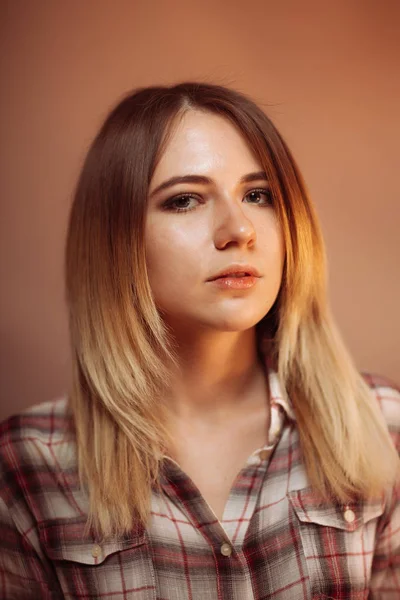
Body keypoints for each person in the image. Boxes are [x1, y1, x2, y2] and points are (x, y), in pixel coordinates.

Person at [0, 82, 399, 600]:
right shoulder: (27, 469)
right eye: (184, 200)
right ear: (116, 239)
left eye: (258, 195)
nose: (239, 229)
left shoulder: (384, 426)